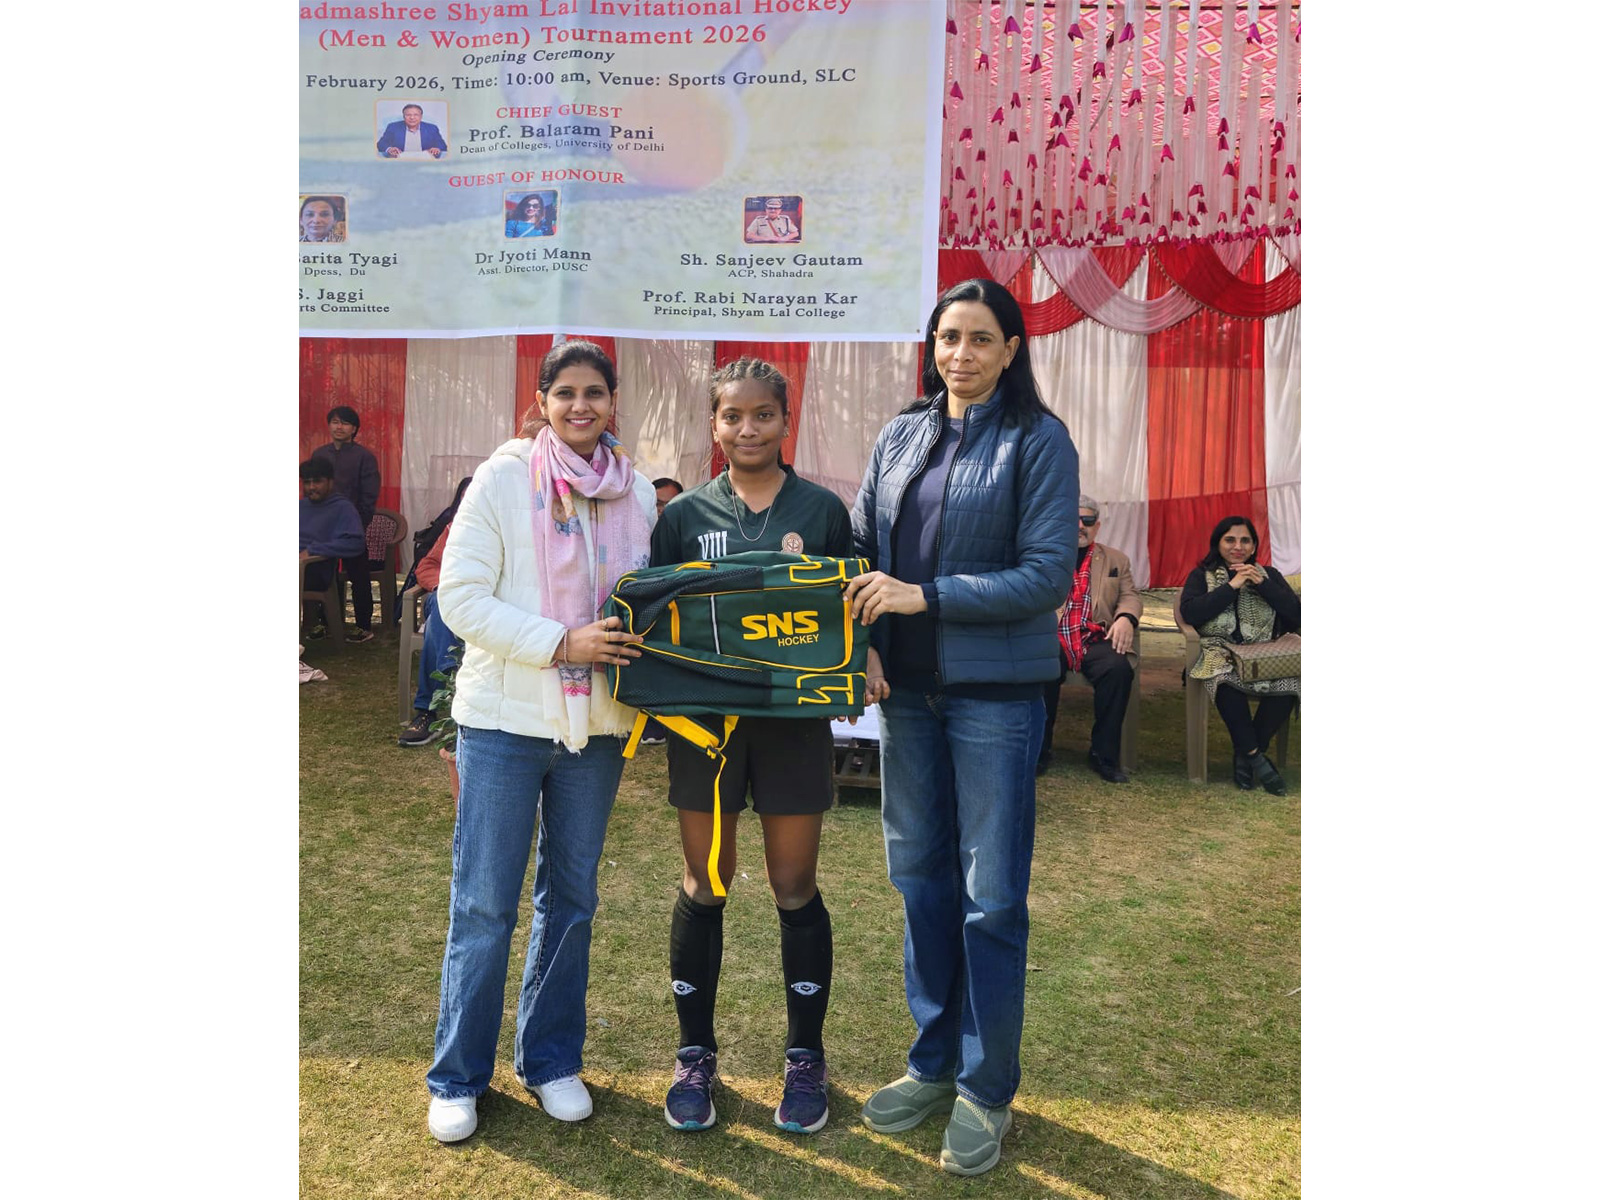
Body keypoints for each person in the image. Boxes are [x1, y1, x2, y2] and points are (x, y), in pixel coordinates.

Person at [843, 278, 1077, 1177]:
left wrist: (925, 595)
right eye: (948, 337)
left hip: (995, 700)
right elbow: (861, 550)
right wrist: (864, 642)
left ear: (1012, 349)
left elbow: (1047, 575)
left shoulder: (1038, 439)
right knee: (919, 881)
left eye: (981, 338)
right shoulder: (901, 434)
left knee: (992, 897)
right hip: (906, 696)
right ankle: (933, 1063)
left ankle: (986, 1089)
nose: (961, 354)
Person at [425, 340, 656, 1144]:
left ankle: (551, 1060)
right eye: (566, 393)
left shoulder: (637, 493)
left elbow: (648, 603)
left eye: (595, 392)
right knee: (485, 901)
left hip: (597, 729)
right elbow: (460, 598)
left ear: (613, 401)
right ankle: (458, 1077)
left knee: (572, 898)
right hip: (504, 722)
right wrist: (562, 643)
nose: (580, 406)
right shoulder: (502, 478)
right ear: (542, 401)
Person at [648, 358, 853, 1136]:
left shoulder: (822, 510)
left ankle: (805, 1058)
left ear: (785, 421)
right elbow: (657, 616)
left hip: (792, 725)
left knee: (793, 883)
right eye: (732, 415)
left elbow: (847, 605)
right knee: (706, 879)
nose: (748, 428)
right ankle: (694, 1055)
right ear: (714, 424)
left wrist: (863, 664)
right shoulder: (682, 516)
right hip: (706, 728)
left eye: (763, 414)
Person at [1178, 515, 1300, 796]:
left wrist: (1263, 585)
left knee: (1291, 684)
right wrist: (1232, 587)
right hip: (1217, 652)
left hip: (1263, 655)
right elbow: (1192, 613)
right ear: (1218, 543)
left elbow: (1296, 615)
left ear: (1254, 545)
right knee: (1223, 682)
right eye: (1230, 540)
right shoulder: (1202, 576)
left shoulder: (1269, 575)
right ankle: (1257, 758)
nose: (1238, 546)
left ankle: (1246, 754)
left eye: (1245, 540)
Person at [1037, 494, 1142, 782]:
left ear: (1097, 526)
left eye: (1087, 520)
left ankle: (1103, 755)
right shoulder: (1045, 556)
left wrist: (1126, 617)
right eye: (1073, 520)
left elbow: (1130, 596)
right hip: (1053, 635)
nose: (1080, 526)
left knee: (1118, 670)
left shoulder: (1116, 559)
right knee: (1041, 668)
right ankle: (1039, 751)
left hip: (1094, 637)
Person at [313, 406, 381, 643]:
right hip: (323, 528)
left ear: (354, 429)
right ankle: (325, 623)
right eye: (334, 422)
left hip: (352, 528)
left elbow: (369, 496)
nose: (338, 427)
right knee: (322, 574)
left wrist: (357, 525)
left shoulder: (364, 457)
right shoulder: (320, 455)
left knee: (358, 576)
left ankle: (363, 626)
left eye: (344, 423)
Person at [633, 477, 687, 747]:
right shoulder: (634, 538)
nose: (664, 511)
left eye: (671, 504)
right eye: (658, 504)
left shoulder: (684, 536)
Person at [397, 518, 460, 747]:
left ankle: (428, 709)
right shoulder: (459, 525)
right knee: (443, 607)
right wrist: (446, 587)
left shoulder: (518, 528)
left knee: (437, 622)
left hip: (484, 606)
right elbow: (426, 566)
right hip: (447, 596)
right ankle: (446, 675)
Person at [300, 457, 366, 632]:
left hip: (314, 571)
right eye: (307, 482)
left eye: (317, 481)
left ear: (330, 482)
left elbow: (355, 543)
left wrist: (313, 550)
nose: (311, 487)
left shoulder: (343, 508)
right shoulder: (300, 507)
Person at [378, 103, 447, 157]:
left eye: (416, 115)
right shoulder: (393, 127)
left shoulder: (432, 128)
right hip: (400, 160)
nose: (412, 117)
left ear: (421, 116)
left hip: (425, 160)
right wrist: (389, 149)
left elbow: (442, 145)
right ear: (403, 116)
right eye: (408, 115)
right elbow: (381, 143)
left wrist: (437, 148)